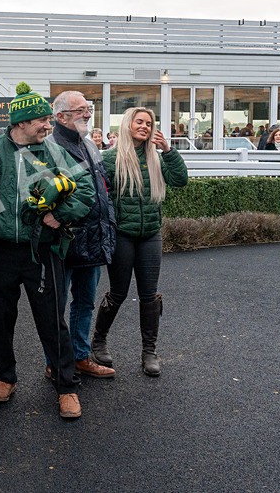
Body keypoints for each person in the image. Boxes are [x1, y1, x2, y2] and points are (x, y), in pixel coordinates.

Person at [0, 83, 95, 419]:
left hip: (43, 251)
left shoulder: (55, 150)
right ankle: (5, 377)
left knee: (51, 320)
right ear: (20, 124)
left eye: (49, 119)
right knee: (1, 318)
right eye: (42, 120)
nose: (49, 126)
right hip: (1, 251)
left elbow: (86, 191)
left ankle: (66, 387)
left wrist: (58, 215)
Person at [94, 107, 188, 376]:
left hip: (150, 235)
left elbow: (181, 180)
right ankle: (98, 341)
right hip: (122, 235)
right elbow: (99, 197)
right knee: (118, 292)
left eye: (149, 123)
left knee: (149, 295)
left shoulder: (156, 159)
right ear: (128, 124)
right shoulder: (110, 158)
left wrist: (169, 151)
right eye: (140, 122)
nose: (145, 126)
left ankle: (149, 352)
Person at [46, 91, 116, 378]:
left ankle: (79, 357)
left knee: (85, 303)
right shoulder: (48, 147)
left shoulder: (90, 145)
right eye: (80, 110)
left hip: (93, 240)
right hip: (64, 241)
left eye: (88, 108)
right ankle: (56, 362)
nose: (88, 113)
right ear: (61, 116)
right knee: (56, 307)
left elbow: (103, 189)